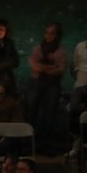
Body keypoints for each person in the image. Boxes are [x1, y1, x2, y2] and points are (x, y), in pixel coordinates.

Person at [27, 22, 67, 151]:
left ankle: (46, 145)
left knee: (49, 115)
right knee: (32, 112)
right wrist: (52, 66)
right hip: (36, 83)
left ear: (57, 35)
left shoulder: (60, 51)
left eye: (52, 33)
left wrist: (43, 68)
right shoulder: (37, 49)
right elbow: (35, 67)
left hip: (53, 85)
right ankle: (29, 144)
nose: (48, 36)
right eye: (47, 33)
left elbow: (60, 70)